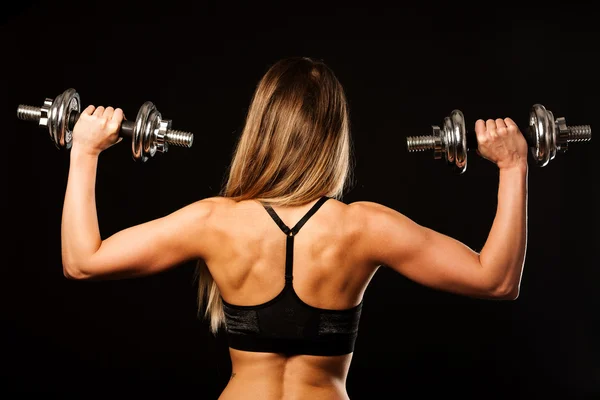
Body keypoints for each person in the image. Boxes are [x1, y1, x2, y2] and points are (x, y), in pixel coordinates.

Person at [61, 56, 529, 400]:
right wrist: (512, 165)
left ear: (260, 129)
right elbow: (497, 281)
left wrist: (84, 152)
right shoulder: (364, 227)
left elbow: (82, 263)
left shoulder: (213, 220)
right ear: (334, 134)